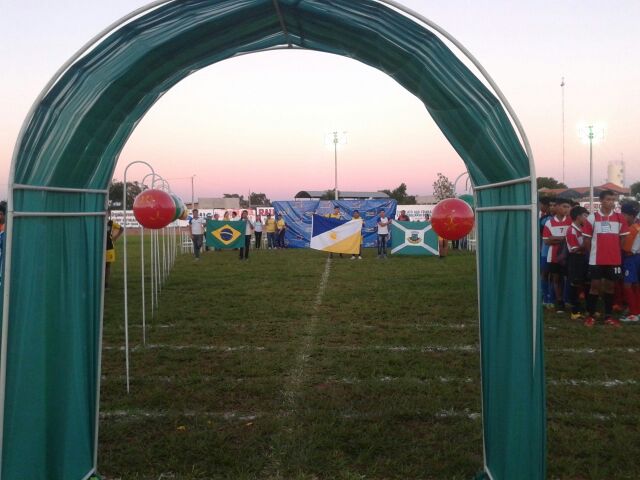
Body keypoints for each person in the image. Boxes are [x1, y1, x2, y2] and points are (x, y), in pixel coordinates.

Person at [581, 190, 630, 327]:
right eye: (608, 199)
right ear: (601, 201)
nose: (611, 202)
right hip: (596, 259)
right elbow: (586, 239)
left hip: (613, 259)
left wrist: (615, 251)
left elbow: (624, 238)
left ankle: (608, 316)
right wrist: (593, 253)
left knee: (610, 287)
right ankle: (591, 316)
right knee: (594, 286)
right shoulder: (592, 218)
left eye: (613, 200)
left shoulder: (620, 218)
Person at [542, 198, 572, 313]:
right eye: (564, 206)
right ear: (558, 207)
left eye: (568, 207)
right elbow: (546, 241)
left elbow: (571, 238)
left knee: (568, 278)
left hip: (568, 256)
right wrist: (563, 239)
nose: (566, 209)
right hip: (553, 256)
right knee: (556, 278)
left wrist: (555, 238)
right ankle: (559, 302)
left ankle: (567, 300)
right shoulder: (549, 222)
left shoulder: (570, 221)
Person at [565, 205, 590, 319]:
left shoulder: (584, 229)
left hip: (585, 258)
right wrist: (585, 245)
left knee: (587, 282)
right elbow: (574, 249)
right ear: (578, 217)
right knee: (575, 284)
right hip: (575, 259)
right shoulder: (571, 230)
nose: (587, 218)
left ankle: (588, 309)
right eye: (585, 216)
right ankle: (575, 311)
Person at [620, 202, 640, 322]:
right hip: (635, 258)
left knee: (628, 285)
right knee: (636, 285)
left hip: (631, 258)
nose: (622, 217)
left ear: (631, 216)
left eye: (624, 215)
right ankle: (636, 311)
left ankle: (633, 313)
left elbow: (627, 248)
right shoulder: (636, 227)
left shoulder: (631, 229)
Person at [105, 214, 123, 288]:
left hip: (109, 247)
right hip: (100, 247)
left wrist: (115, 237)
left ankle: (106, 283)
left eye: (108, 213)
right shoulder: (99, 222)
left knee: (107, 265)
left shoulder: (111, 223)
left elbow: (121, 228)